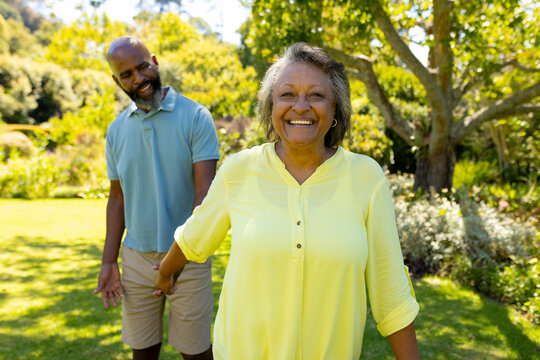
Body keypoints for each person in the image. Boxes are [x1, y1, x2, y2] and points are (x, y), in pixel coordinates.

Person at [154, 42, 420, 359]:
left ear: (335, 108)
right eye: (287, 94)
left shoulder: (366, 178)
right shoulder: (239, 170)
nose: (301, 106)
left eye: (316, 95)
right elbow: (195, 233)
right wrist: (166, 272)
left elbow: (391, 292)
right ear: (271, 106)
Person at [94, 36, 218, 360]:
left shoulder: (196, 117)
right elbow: (117, 199)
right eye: (126, 75)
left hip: (189, 255)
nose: (138, 79)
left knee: (196, 353)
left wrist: (178, 259)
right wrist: (109, 261)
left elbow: (204, 196)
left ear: (154, 61)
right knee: (143, 352)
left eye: (142, 67)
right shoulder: (115, 130)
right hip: (136, 257)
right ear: (116, 80)